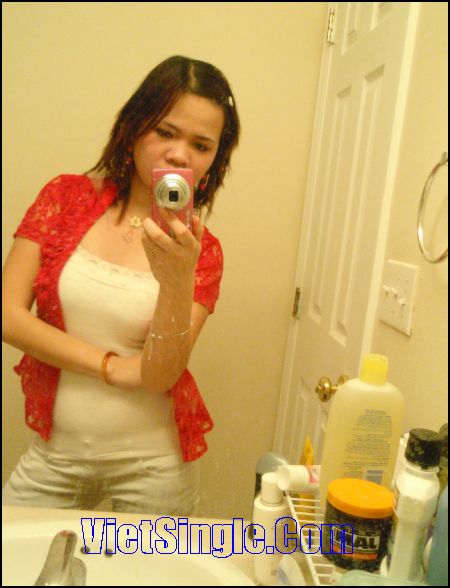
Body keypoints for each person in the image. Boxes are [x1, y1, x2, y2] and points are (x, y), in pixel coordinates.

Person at [2, 55, 240, 515]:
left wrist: (177, 279)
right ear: (133, 129)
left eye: (201, 145)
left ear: (214, 161)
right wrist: (110, 366)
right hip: (56, 457)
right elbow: (8, 315)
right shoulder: (63, 198)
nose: (180, 154)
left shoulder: (202, 252)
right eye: (165, 132)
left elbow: (160, 374)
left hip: (155, 467)